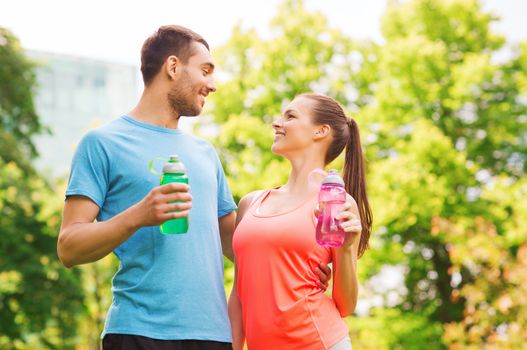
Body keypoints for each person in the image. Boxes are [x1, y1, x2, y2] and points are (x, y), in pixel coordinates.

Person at [57, 25, 331, 350]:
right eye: (205, 71)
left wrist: (297, 263)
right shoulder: (102, 143)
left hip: (214, 336)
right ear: (173, 67)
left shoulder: (205, 154)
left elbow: (236, 243)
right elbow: (69, 247)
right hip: (138, 333)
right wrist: (138, 215)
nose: (212, 85)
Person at [228, 93, 373, 350]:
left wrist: (347, 247)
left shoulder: (336, 203)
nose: (276, 123)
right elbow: (239, 295)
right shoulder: (250, 203)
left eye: (290, 116)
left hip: (319, 342)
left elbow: (345, 305)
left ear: (320, 131)